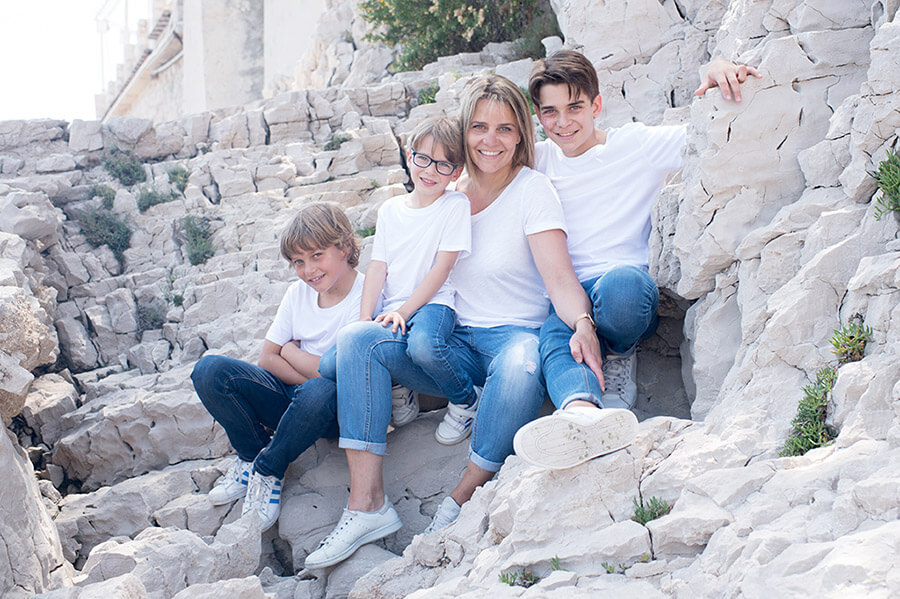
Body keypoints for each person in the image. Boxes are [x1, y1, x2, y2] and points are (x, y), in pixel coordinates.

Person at [304, 74, 603, 569]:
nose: (491, 140)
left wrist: (582, 322)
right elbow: (392, 262)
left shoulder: (533, 190)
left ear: (521, 136)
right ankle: (366, 505)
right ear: (463, 132)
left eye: (506, 129)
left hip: (511, 337)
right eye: (480, 127)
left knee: (521, 363)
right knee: (357, 342)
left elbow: (559, 277)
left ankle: (460, 497)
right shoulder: (444, 191)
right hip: (446, 339)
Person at [513, 50, 762, 470]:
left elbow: (710, 133)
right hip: (568, 290)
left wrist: (713, 72)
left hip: (624, 288)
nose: (563, 122)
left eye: (574, 107)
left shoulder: (636, 145)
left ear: (596, 104)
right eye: (550, 112)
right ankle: (581, 412)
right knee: (555, 335)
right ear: (538, 116)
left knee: (624, 286)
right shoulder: (537, 160)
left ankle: (619, 353)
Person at [190, 202, 364, 531]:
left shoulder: (365, 294)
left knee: (321, 390)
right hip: (290, 397)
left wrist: (292, 352)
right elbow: (267, 360)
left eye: (316, 256)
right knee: (209, 371)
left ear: (343, 247)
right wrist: (306, 365)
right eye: (298, 262)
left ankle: (269, 468)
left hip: (332, 410)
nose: (308, 270)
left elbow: (345, 374)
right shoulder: (297, 294)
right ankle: (251, 454)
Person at [361, 115, 475, 445]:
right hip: (393, 304)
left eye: (443, 165)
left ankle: (466, 398)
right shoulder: (390, 210)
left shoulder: (455, 205)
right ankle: (401, 388)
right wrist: (364, 319)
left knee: (424, 345)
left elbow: (441, 270)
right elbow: (377, 267)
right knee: (362, 343)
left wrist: (405, 312)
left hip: (434, 302)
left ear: (456, 173)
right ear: (409, 157)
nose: (430, 171)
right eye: (423, 159)